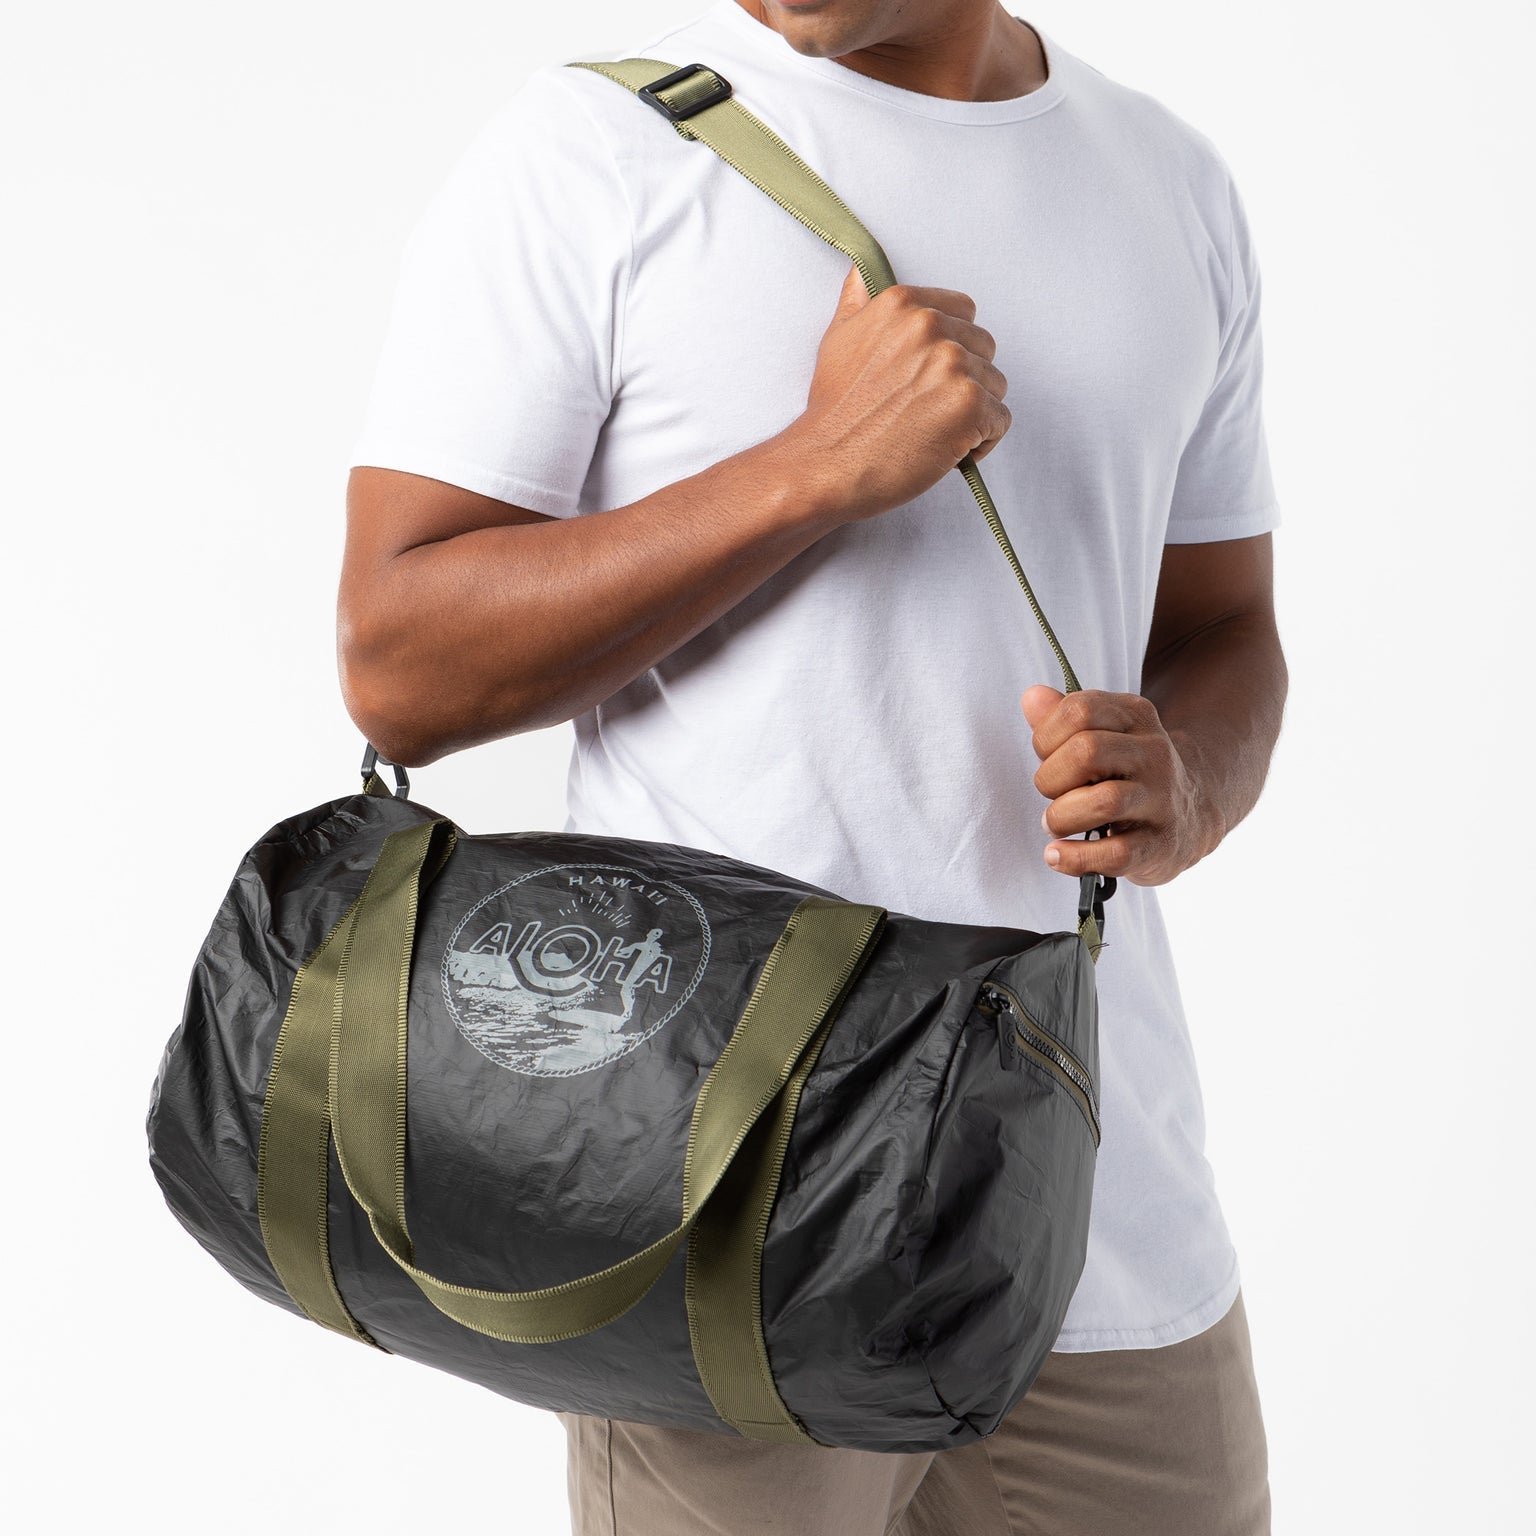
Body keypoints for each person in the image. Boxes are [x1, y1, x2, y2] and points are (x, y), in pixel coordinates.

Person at [338, 1, 1286, 1531]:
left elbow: (1227, 629)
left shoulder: (1169, 183)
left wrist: (1189, 776)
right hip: (718, 1213)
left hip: (1102, 1209)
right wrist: (814, 468)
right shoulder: (597, 155)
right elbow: (399, 665)